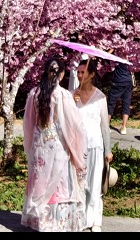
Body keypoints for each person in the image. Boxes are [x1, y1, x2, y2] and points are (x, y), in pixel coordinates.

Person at [21, 55, 88, 232]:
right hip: (57, 148)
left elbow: (28, 124)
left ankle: (39, 221)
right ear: (62, 74)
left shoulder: (34, 93)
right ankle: (56, 223)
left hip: (39, 146)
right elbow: (75, 126)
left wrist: (30, 147)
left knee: (40, 182)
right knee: (59, 185)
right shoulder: (63, 95)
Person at [74, 57, 112, 232]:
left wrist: (108, 150)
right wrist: (73, 103)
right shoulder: (73, 95)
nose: (80, 75)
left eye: (83, 72)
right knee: (79, 185)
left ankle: (95, 220)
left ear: (92, 74)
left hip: (96, 146)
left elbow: (105, 126)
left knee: (95, 184)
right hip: (77, 147)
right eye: (78, 72)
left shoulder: (100, 98)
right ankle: (80, 219)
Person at [106, 61, 134, 135]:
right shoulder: (131, 55)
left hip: (118, 81)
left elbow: (107, 61)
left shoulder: (117, 55)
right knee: (126, 103)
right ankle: (124, 127)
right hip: (128, 81)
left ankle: (106, 126)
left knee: (111, 103)